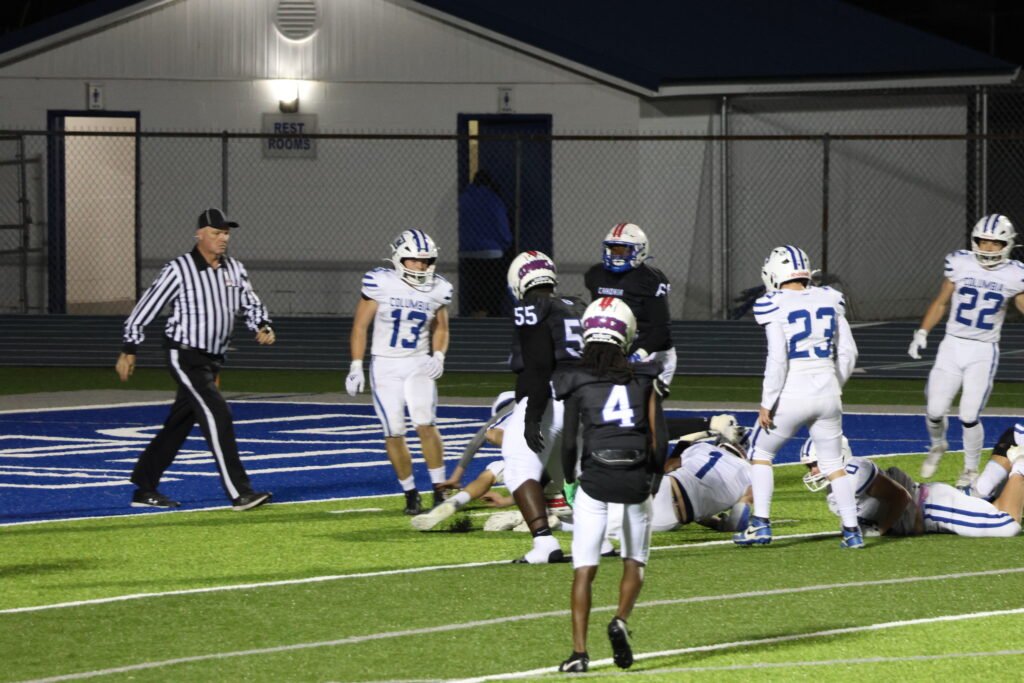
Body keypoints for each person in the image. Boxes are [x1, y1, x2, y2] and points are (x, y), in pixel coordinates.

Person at [115, 208, 275, 511]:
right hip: (185, 354)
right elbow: (146, 306)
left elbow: (250, 303)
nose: (223, 238)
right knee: (218, 414)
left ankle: (145, 486)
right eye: (216, 232)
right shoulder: (179, 269)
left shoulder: (234, 269)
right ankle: (240, 492)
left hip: (213, 359)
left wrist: (262, 325)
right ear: (199, 235)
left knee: (178, 424)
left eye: (226, 233)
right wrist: (130, 347)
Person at [554, 296, 667, 673]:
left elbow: (569, 443)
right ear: (627, 334)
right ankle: (620, 619)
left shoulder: (576, 378)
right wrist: (653, 479)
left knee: (584, 568)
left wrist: (569, 481)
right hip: (634, 476)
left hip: (595, 479)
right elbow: (660, 440)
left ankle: (579, 654)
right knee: (634, 559)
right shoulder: (645, 376)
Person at [736, 245, 862, 548]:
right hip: (828, 392)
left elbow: (778, 358)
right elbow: (848, 352)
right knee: (833, 464)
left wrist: (767, 402)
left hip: (792, 392)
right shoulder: (830, 297)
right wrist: (833, 385)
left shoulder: (773, 302)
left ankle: (760, 524)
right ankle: (852, 531)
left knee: (761, 454)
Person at [907, 214, 1024, 489]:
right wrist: (922, 332)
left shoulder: (1015, 274)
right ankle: (938, 445)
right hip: (952, 345)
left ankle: (970, 469)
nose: (988, 248)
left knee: (969, 415)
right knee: (934, 410)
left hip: (983, 350)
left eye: (995, 243)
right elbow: (941, 302)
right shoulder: (960, 262)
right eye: (983, 241)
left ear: (1006, 244)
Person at [346, 230, 453, 515]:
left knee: (425, 423)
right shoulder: (380, 282)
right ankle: (410, 493)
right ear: (399, 258)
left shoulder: (439, 288)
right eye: (414, 260)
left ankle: (439, 490)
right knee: (393, 431)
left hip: (418, 362)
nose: (421, 266)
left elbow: (441, 328)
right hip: (385, 365)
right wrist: (355, 365)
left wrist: (438, 355)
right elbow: (360, 327)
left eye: (426, 261)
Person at [502, 250, 586, 564]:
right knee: (566, 471)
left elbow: (538, 365)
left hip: (551, 394)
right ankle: (597, 538)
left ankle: (544, 543)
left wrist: (532, 416)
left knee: (518, 467)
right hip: (585, 396)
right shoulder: (577, 304)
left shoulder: (531, 306)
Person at [800, 437, 1024, 538]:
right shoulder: (834, 493)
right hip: (928, 509)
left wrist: (885, 530)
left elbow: (900, 496)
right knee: (993, 507)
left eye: (816, 464)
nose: (813, 471)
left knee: (1007, 526)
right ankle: (1008, 450)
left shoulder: (856, 473)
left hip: (930, 507)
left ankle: (1020, 463)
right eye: (810, 466)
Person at [584, 223, 674, 385]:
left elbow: (661, 331)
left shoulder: (650, 280)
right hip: (616, 350)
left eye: (624, 250)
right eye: (614, 250)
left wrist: (638, 356)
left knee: (640, 397)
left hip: (650, 352)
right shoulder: (596, 275)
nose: (617, 256)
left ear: (640, 250)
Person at [650, 426, 753, 534]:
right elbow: (737, 516)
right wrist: (721, 524)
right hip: (673, 519)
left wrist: (684, 442)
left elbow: (668, 468)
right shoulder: (750, 474)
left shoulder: (703, 447)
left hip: (661, 489)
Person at [458, 170, 513, 317]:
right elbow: (501, 225)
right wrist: (506, 243)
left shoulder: (463, 199)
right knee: (491, 288)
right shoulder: (494, 200)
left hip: (467, 251)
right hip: (491, 252)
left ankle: (475, 314)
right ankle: (490, 316)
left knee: (473, 287)